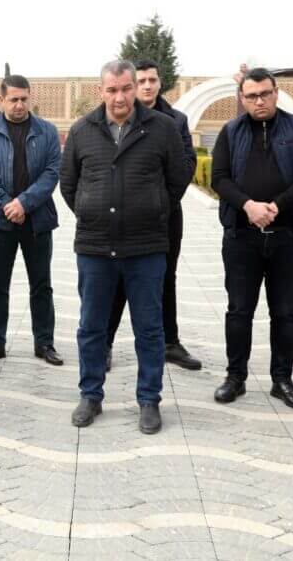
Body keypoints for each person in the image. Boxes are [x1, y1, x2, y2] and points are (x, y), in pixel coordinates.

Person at [59, 60, 189, 434]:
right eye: (112, 90)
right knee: (91, 327)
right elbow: (69, 184)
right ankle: (90, 395)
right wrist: (92, 211)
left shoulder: (162, 128)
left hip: (146, 248)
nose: (120, 97)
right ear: (101, 91)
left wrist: (154, 209)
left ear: (135, 88)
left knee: (149, 328)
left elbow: (178, 179)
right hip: (95, 248)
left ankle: (149, 399)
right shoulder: (82, 130)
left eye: (126, 88)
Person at [211, 67, 293, 410]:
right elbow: (219, 178)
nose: (259, 101)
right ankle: (235, 377)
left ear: (276, 93)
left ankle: (282, 380)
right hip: (242, 237)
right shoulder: (230, 132)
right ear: (242, 98)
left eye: (265, 94)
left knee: (285, 312)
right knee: (239, 310)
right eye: (252, 96)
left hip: (288, 237)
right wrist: (248, 205)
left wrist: (277, 206)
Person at [105, 59, 200, 372]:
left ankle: (169, 342)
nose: (147, 86)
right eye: (142, 80)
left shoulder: (176, 120)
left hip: (165, 216)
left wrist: (159, 204)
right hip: (124, 217)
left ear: (160, 83)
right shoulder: (117, 117)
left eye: (152, 80)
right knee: (119, 279)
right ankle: (104, 344)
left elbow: (185, 168)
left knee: (166, 277)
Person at [0, 74, 62, 366]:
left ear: (29, 97)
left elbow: (52, 173)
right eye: (13, 99)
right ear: (1, 100)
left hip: (38, 221)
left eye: (24, 99)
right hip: (0, 222)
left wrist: (24, 202)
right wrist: (6, 204)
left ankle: (44, 343)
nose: (20, 105)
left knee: (42, 285)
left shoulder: (47, 131)